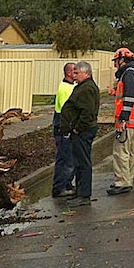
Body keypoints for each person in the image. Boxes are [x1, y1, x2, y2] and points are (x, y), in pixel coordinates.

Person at [109, 47, 134, 195]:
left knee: (121, 152)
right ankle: (128, 180)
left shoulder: (129, 74)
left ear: (122, 60)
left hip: (128, 121)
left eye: (116, 61)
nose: (115, 65)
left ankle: (122, 182)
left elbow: (129, 97)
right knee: (132, 151)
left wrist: (123, 118)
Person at [60, 61, 100, 208]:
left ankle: (84, 194)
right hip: (79, 130)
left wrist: (77, 128)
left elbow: (87, 112)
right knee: (78, 162)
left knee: (83, 162)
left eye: (77, 73)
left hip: (83, 131)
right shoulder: (82, 87)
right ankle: (80, 191)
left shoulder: (87, 89)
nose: (74, 76)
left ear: (86, 73)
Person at [51, 62, 76, 198]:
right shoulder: (66, 89)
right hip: (63, 126)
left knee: (66, 157)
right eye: (74, 71)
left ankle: (66, 183)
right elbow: (68, 111)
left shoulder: (68, 86)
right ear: (69, 73)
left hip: (62, 124)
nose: (77, 73)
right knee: (66, 158)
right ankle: (60, 187)